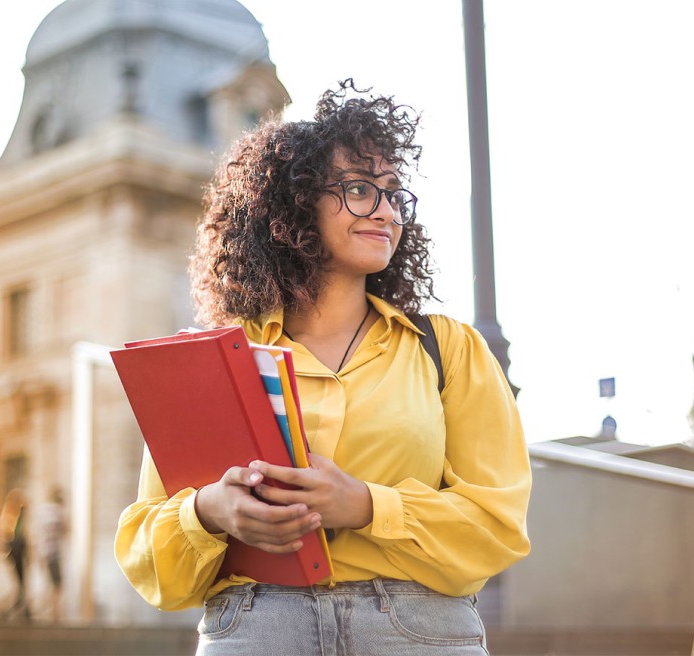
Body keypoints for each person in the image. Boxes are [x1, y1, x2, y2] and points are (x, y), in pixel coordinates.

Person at [114, 79, 531, 655]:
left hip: (417, 631)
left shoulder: (448, 349)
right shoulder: (215, 360)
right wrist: (210, 510)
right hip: (257, 628)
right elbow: (148, 551)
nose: (385, 210)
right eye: (359, 188)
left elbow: (498, 525)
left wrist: (364, 504)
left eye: (393, 193)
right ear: (295, 204)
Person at [0, 488, 30, 620]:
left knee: (21, 581)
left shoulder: (19, 516)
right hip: (15, 549)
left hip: (19, 549)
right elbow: (6, 534)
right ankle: (19, 607)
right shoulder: (9, 515)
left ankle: (23, 607)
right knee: (19, 581)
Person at [38, 486, 67, 622]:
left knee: (50, 583)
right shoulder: (56, 513)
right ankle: (55, 613)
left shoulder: (44, 512)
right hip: (53, 553)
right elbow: (64, 530)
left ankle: (51, 611)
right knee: (57, 585)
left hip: (44, 552)